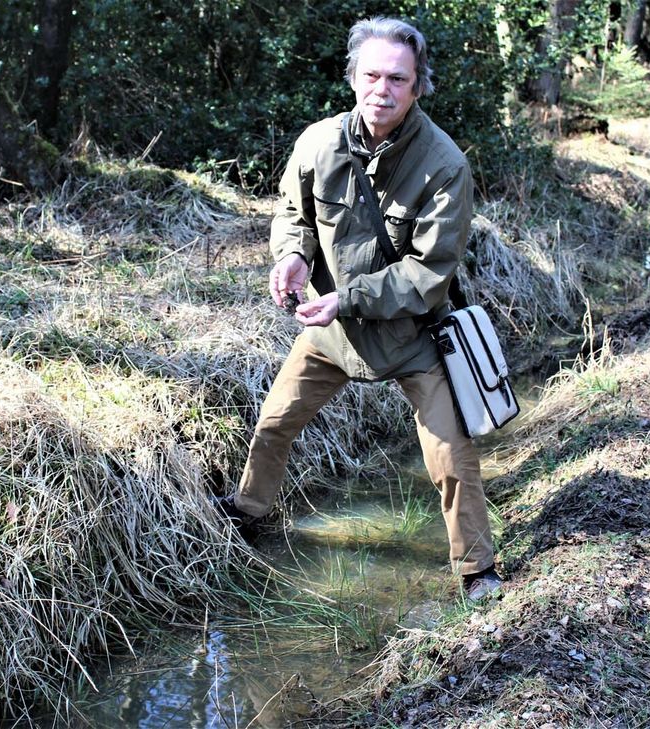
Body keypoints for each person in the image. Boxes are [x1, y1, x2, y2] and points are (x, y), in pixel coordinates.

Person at [214, 16, 502, 601]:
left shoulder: (445, 165)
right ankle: (248, 512)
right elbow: (292, 214)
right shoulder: (318, 143)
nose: (382, 90)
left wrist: (347, 298)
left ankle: (478, 572)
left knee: (450, 458)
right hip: (333, 333)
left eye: (398, 79)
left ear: (417, 87)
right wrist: (292, 257)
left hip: (414, 336)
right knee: (273, 422)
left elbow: (427, 274)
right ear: (352, 78)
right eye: (371, 75)